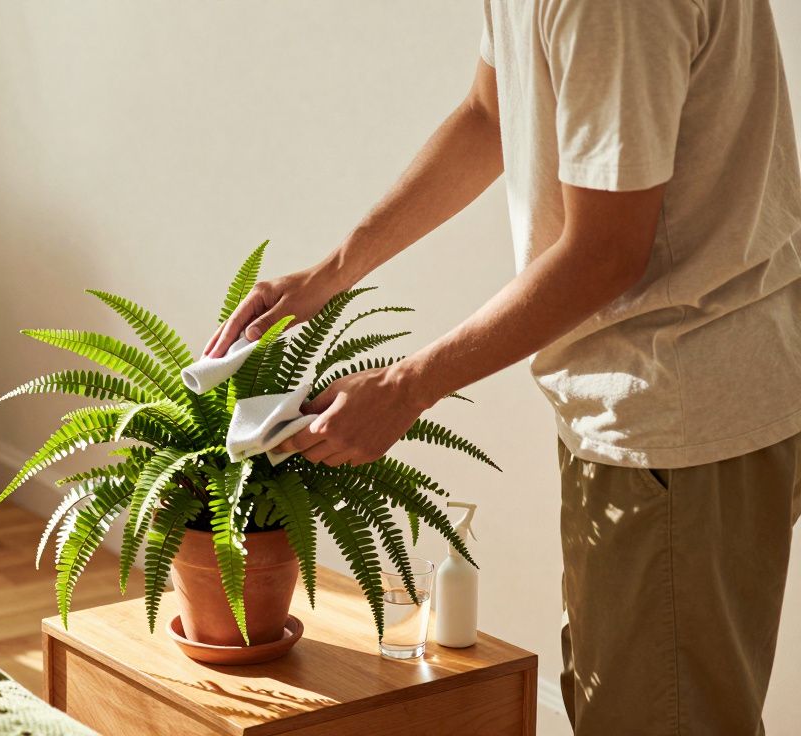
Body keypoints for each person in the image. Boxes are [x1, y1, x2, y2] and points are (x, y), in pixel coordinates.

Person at [207, 1, 801, 733]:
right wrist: (330, 272)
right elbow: (490, 113)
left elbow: (606, 251)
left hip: (679, 412)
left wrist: (403, 387)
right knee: (626, 697)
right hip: (648, 406)